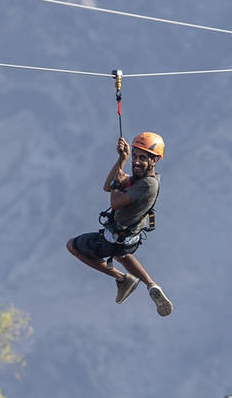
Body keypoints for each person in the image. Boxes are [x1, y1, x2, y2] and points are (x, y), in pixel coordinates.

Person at [66, 132, 172, 316]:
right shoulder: (142, 180)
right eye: (135, 156)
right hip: (129, 241)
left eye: (143, 158)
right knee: (122, 255)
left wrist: (118, 184)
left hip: (115, 240)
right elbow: (107, 186)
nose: (136, 162)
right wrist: (122, 159)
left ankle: (122, 279)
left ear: (154, 160)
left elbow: (114, 201)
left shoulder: (147, 185)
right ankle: (150, 284)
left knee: (72, 246)